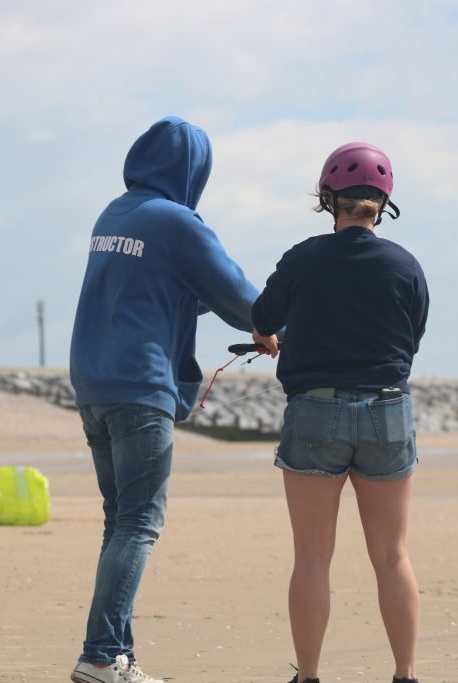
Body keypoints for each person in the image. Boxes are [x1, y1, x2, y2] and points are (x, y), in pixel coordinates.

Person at [68, 115, 274, 683]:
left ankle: (119, 659)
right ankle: (102, 655)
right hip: (140, 387)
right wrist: (268, 325)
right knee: (138, 523)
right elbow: (236, 292)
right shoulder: (177, 221)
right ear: (193, 171)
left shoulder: (116, 213)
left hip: (93, 384)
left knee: (121, 522)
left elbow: (160, 290)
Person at [251, 142, 428, 683]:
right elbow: (411, 339)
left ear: (330, 198)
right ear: (383, 201)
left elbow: (262, 317)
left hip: (316, 410)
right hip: (386, 409)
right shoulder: (405, 265)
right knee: (392, 556)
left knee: (312, 556)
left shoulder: (302, 258)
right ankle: (404, 674)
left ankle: (308, 676)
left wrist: (269, 337)